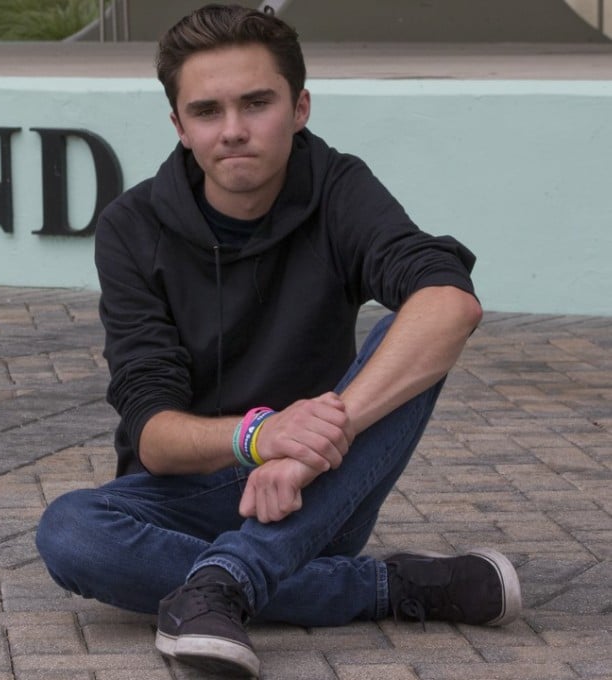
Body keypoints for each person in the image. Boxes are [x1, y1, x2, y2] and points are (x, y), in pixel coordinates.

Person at [35, 4, 522, 677]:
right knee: (71, 532)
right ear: (179, 126)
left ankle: (223, 585)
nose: (233, 130)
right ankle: (381, 587)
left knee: (413, 331)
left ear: (300, 108)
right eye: (207, 111)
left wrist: (306, 450)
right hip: (192, 497)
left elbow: (450, 303)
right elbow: (153, 434)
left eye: (257, 103)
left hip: (313, 493)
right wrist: (263, 437)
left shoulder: (337, 188)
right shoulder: (133, 226)